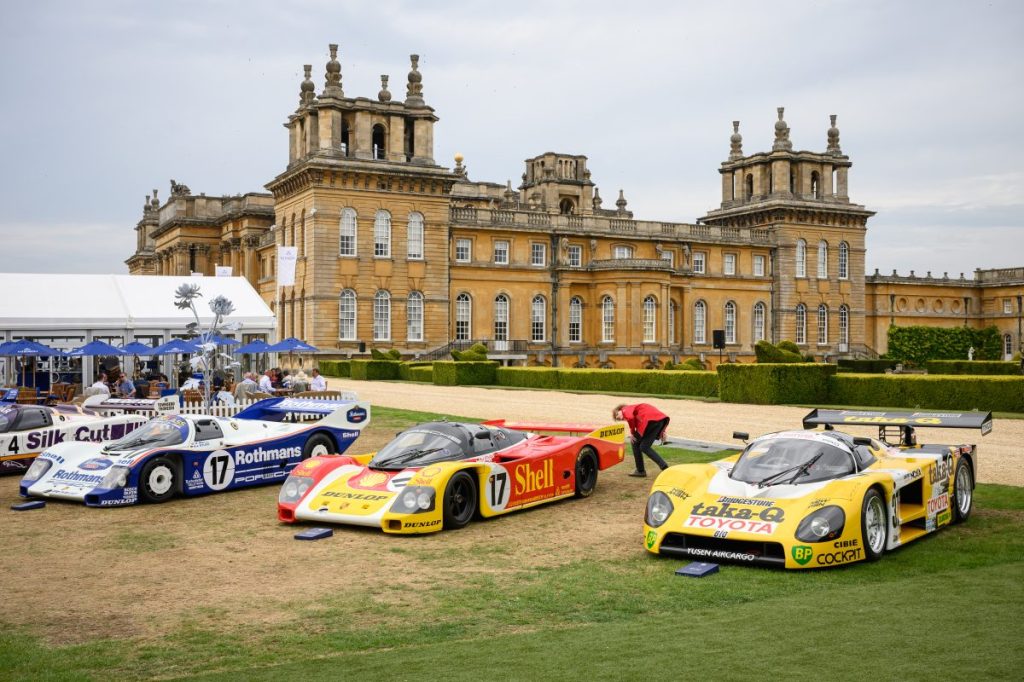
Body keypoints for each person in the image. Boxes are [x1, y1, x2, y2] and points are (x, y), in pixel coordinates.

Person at [612, 403, 670, 478]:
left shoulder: (625, 409)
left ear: (620, 410)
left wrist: (632, 433)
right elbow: (656, 415)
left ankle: (640, 471)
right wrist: (663, 431)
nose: (618, 417)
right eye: (617, 419)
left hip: (649, 421)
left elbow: (630, 417)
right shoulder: (633, 411)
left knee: (634, 442)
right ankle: (664, 467)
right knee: (644, 447)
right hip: (658, 421)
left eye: (617, 414)